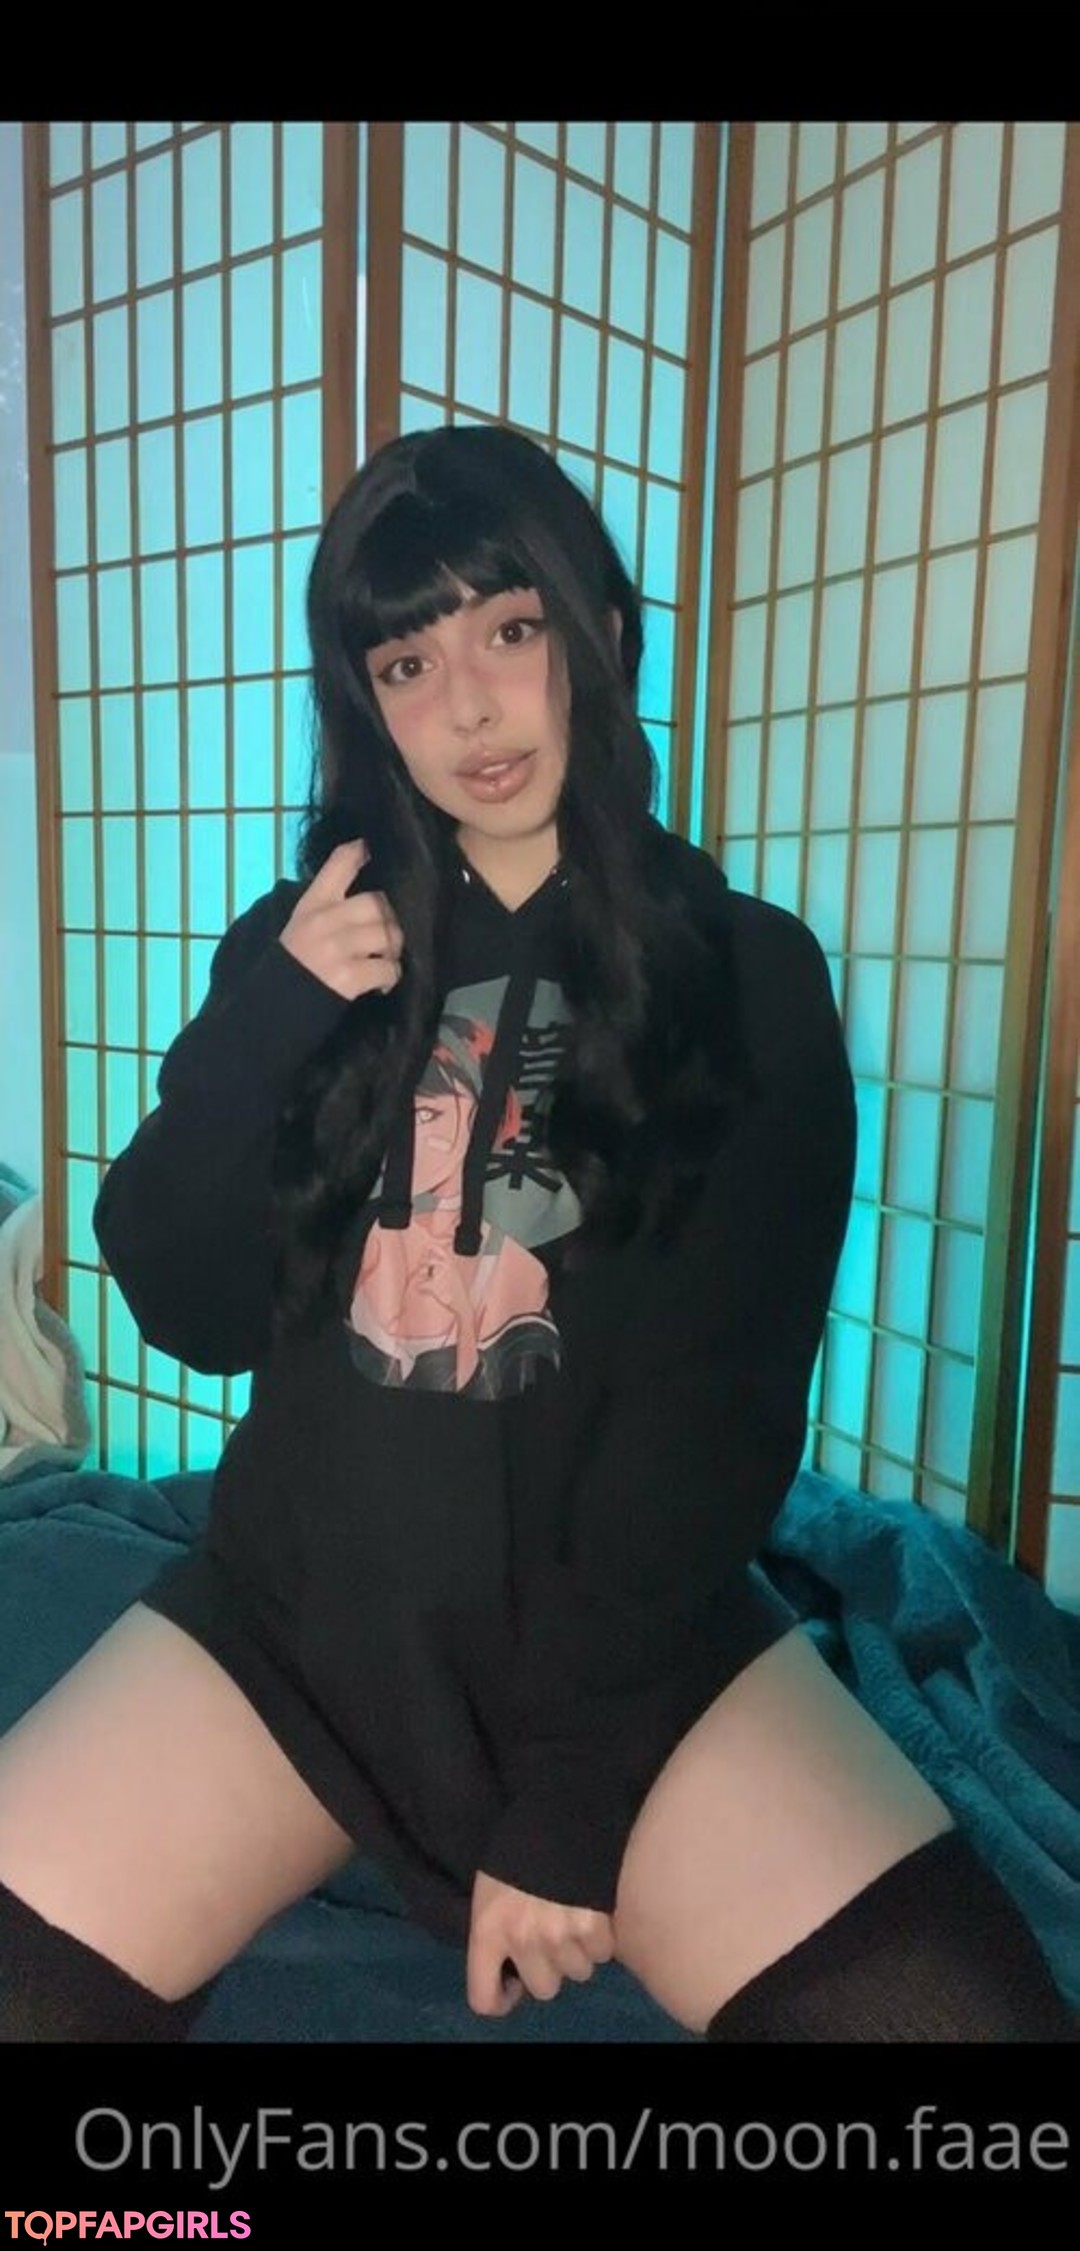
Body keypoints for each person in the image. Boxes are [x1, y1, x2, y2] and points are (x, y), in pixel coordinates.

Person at [0, 423, 1073, 2044]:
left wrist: (571, 1804)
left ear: (598, 635)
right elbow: (181, 1303)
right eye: (407, 662)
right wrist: (266, 1019)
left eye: (509, 631)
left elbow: (718, 1415)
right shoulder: (306, 945)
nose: (470, 708)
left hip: (627, 1647)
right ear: (365, 701)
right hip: (300, 1622)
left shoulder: (747, 973)